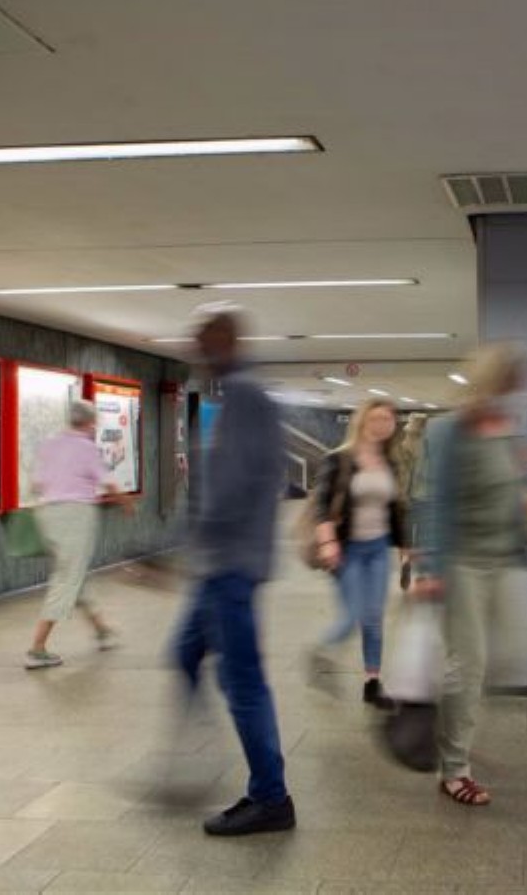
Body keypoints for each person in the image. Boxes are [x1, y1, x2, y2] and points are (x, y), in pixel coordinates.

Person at [413, 343, 527, 806]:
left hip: (507, 557)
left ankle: (454, 708)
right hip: (464, 563)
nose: (509, 396)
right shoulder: (448, 431)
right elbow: (433, 501)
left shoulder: (516, 430)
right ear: (487, 383)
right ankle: (455, 768)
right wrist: (430, 568)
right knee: (469, 664)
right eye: (505, 385)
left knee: (517, 651)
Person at [173, 305, 294, 836]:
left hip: (230, 566)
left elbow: (230, 486)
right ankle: (191, 761)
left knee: (243, 681)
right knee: (184, 653)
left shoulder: (244, 395)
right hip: (221, 564)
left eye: (203, 342)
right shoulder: (242, 395)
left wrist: (179, 551)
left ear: (225, 342)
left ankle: (270, 796)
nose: (195, 351)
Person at [310, 398, 410, 708]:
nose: (383, 425)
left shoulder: (391, 462)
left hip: (378, 549)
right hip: (348, 550)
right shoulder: (339, 459)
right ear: (362, 421)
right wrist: (327, 543)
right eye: (376, 418)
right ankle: (320, 652)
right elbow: (321, 505)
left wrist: (405, 547)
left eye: (388, 420)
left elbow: (395, 510)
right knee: (352, 614)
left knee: (373, 618)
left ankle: (372, 684)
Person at [24, 400, 127, 669]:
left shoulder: (49, 444)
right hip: (75, 515)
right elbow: (108, 482)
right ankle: (37, 649)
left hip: (47, 515)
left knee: (72, 573)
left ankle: (102, 630)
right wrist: (126, 503)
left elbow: (36, 484)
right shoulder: (86, 447)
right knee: (66, 579)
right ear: (90, 423)